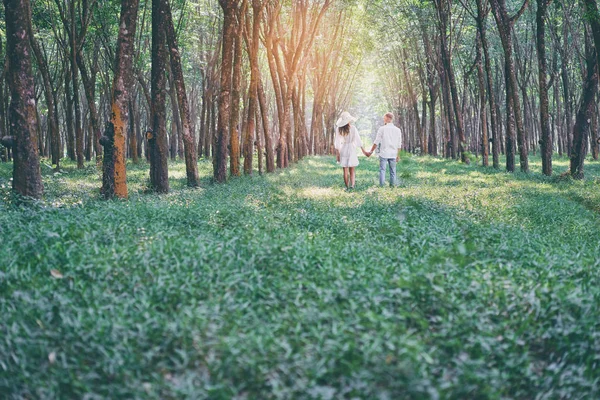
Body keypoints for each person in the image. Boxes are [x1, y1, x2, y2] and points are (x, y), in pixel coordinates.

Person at [366, 112, 402, 187]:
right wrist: (398, 155)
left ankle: (381, 186)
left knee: (382, 170)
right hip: (393, 154)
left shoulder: (382, 129)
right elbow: (399, 144)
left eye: (384, 118)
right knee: (393, 171)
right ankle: (392, 186)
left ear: (388, 118)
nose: (383, 119)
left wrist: (371, 151)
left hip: (384, 153)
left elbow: (377, 141)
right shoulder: (397, 130)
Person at [334, 111, 369, 190]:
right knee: (352, 169)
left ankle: (347, 186)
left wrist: (338, 154)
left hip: (343, 149)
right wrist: (364, 151)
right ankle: (352, 185)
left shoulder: (339, 129)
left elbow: (337, 142)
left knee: (345, 169)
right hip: (351, 149)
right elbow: (358, 140)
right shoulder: (353, 128)